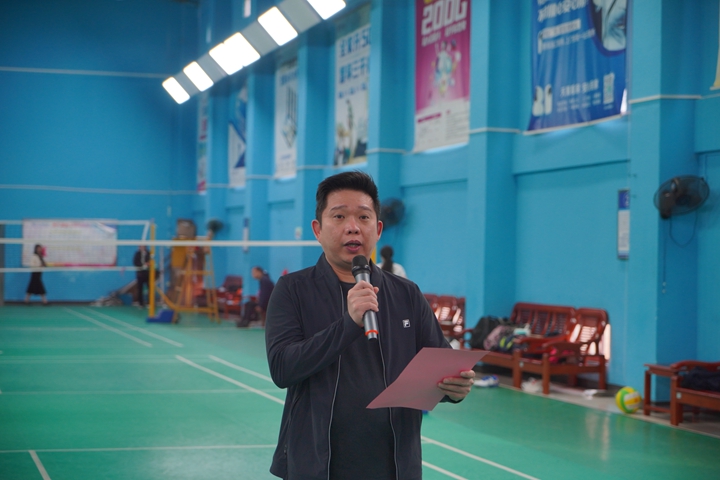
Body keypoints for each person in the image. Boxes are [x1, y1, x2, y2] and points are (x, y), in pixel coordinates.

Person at [265, 171, 474, 480]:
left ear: (377, 229)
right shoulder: (293, 290)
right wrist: (349, 323)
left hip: (393, 466)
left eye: (363, 217)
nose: (353, 227)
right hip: (317, 465)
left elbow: (438, 368)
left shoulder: (407, 294)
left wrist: (454, 388)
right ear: (318, 230)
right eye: (339, 216)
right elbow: (282, 368)